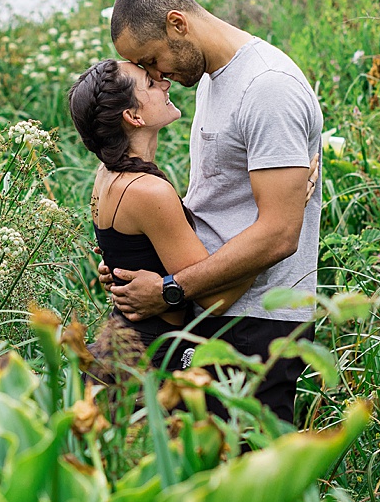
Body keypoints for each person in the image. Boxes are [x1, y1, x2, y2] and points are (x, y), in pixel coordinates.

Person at [100, 0, 323, 424]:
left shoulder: (267, 88)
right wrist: (144, 261)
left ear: (177, 24)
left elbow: (280, 234)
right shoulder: (210, 78)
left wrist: (169, 289)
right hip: (209, 309)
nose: (156, 76)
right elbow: (219, 202)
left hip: (257, 321)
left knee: (251, 480)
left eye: (151, 60)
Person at [67, 58, 258, 371]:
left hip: (120, 344)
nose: (165, 82)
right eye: (151, 83)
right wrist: (275, 226)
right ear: (133, 116)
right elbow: (215, 301)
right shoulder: (147, 191)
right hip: (149, 357)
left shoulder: (108, 174)